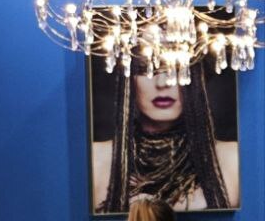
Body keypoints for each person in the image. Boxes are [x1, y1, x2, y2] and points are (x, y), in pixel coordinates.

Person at [92, 63, 240, 211]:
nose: (162, 83)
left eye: (177, 68)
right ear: (127, 78)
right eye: (146, 69)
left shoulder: (233, 159)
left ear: (196, 77)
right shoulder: (95, 159)